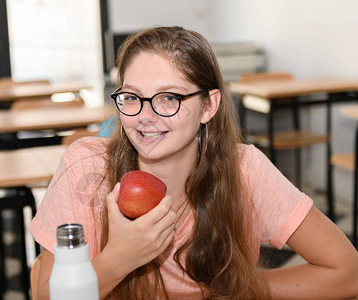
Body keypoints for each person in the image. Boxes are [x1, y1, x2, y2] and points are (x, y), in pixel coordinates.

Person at [30, 26, 358, 299]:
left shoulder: (244, 171)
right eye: (131, 97)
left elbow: (348, 273)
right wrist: (120, 258)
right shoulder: (87, 167)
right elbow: (46, 294)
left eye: (168, 98)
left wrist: (232, 291)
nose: (145, 117)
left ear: (208, 106)